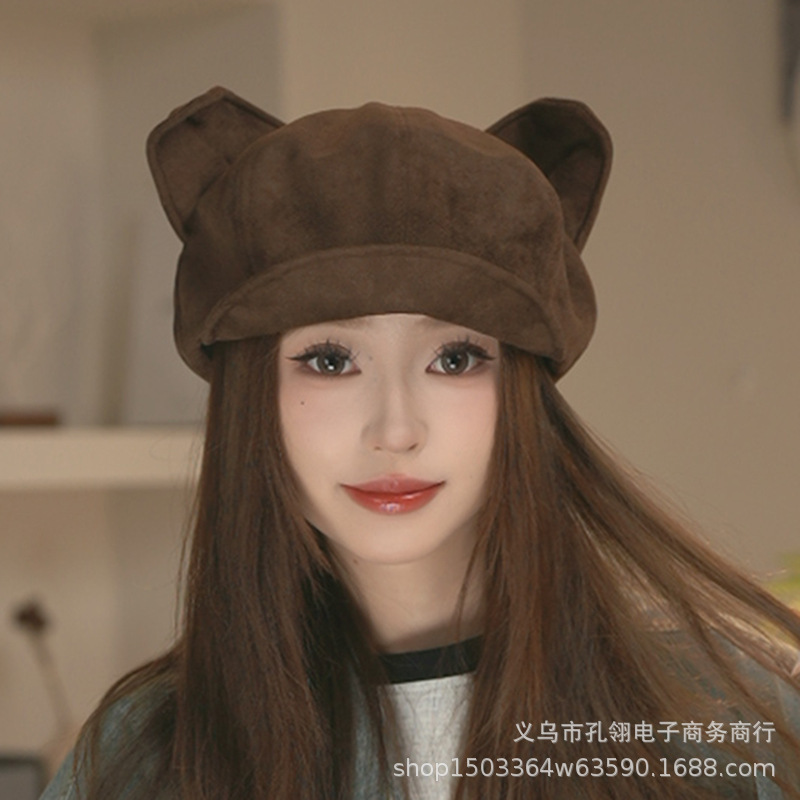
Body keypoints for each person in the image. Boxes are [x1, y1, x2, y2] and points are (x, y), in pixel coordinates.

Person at [42, 87, 800, 800]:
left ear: (521, 390)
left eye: (455, 358)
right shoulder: (141, 758)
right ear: (249, 396)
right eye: (330, 361)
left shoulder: (720, 718)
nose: (396, 429)